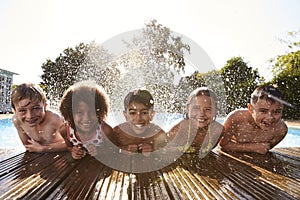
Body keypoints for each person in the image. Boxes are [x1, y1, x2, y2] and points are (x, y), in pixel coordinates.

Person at [220, 85, 288, 154]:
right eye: (263, 111)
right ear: (251, 109)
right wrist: (252, 147)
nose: (269, 117)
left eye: (276, 112)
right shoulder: (236, 118)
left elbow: (264, 148)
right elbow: (223, 144)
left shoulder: (281, 130)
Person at [59, 81, 116, 160]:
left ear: (99, 112)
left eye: (92, 112)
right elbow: (67, 146)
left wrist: (100, 150)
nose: (86, 118)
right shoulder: (65, 130)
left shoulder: (105, 131)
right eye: (79, 112)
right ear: (70, 113)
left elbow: (114, 148)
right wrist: (73, 151)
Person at [11, 83, 67, 153]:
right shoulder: (17, 121)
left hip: (62, 153)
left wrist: (44, 149)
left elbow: (73, 143)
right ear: (14, 111)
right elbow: (28, 147)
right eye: (22, 110)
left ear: (45, 106)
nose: (30, 116)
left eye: (36, 108)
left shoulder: (54, 119)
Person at [167, 87, 224, 156]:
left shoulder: (217, 130)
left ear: (216, 111)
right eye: (196, 108)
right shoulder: (181, 128)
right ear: (188, 108)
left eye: (208, 109)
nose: (201, 113)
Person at [113, 89, 166, 156]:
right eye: (132, 113)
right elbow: (106, 152)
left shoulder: (158, 135)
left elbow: (167, 155)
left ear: (152, 115)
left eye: (144, 113)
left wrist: (154, 152)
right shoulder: (117, 133)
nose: (138, 119)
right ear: (125, 115)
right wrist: (121, 150)